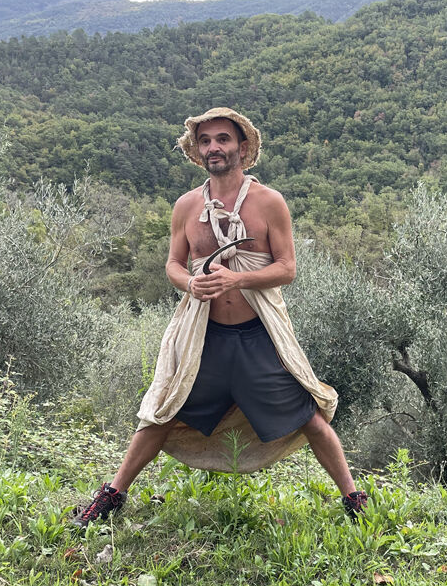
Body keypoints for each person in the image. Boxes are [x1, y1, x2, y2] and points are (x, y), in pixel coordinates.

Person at [73, 107, 366, 526]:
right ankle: (111, 496)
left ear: (242, 148)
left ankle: (354, 500)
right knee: (162, 411)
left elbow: (287, 268)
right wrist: (191, 284)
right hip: (203, 336)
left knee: (310, 417)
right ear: (197, 150)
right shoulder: (187, 206)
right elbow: (174, 265)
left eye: (223, 139)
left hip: (259, 336)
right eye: (206, 140)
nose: (214, 147)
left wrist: (235, 280)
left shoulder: (268, 202)